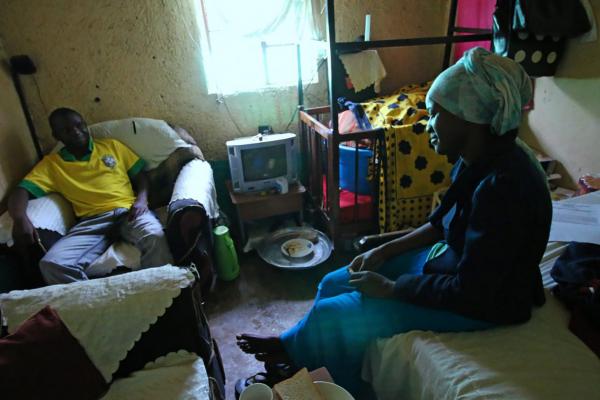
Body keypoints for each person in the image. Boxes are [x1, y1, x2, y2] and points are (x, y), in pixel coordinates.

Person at [236, 47, 552, 396]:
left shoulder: (506, 187)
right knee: (331, 282)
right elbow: (439, 224)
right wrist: (384, 252)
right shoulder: (476, 155)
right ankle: (299, 354)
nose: (428, 125)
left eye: (435, 115)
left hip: (486, 304)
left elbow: (473, 291)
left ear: (469, 118)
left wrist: (391, 289)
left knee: (334, 317)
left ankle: (322, 373)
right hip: (453, 261)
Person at [8, 107, 173, 284]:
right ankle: (95, 305)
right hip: (91, 221)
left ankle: (164, 291)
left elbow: (141, 177)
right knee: (51, 264)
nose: (76, 132)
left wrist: (142, 200)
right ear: (57, 136)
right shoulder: (51, 165)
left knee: (155, 236)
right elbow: (20, 191)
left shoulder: (112, 146)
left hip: (128, 211)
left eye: (80, 125)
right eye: (67, 130)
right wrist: (19, 218)